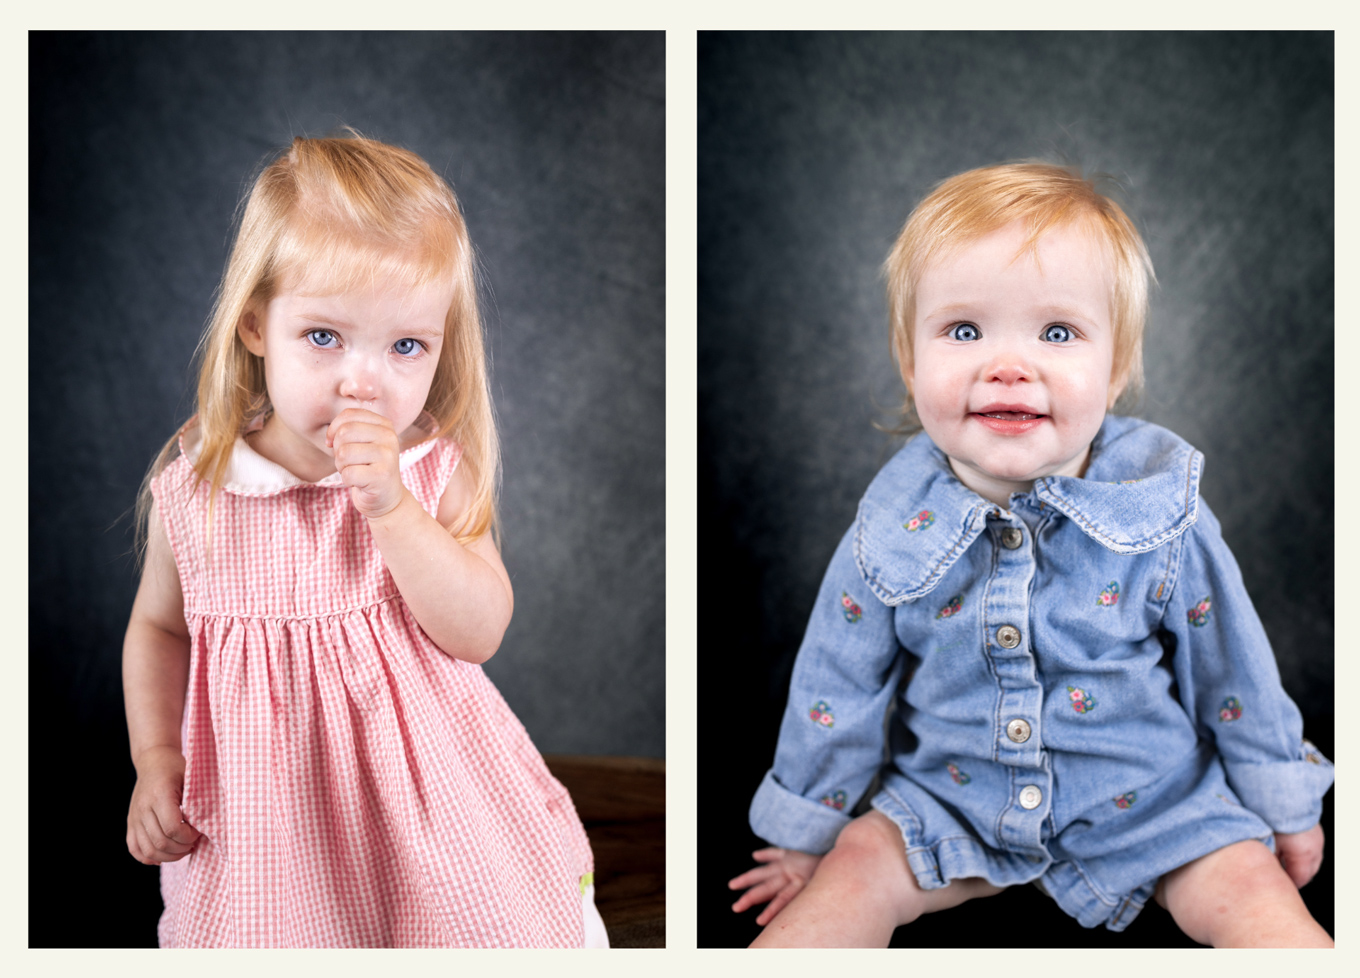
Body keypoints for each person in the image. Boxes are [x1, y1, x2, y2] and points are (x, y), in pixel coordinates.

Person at [729, 162, 1333, 948]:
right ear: (910, 363)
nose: (1007, 366)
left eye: (1057, 334)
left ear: (1115, 368)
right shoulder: (890, 528)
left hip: (1151, 802)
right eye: (963, 331)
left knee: (1255, 895)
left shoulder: (1159, 514)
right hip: (950, 801)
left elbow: (1233, 669)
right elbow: (836, 688)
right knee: (853, 871)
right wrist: (806, 829)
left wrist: (1283, 801)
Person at [123, 132, 608, 948]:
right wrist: (156, 753)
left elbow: (479, 629)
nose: (364, 383)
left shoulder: (428, 472)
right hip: (271, 830)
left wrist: (391, 509)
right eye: (324, 337)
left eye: (405, 346)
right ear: (255, 325)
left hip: (431, 823)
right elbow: (158, 628)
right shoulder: (202, 490)